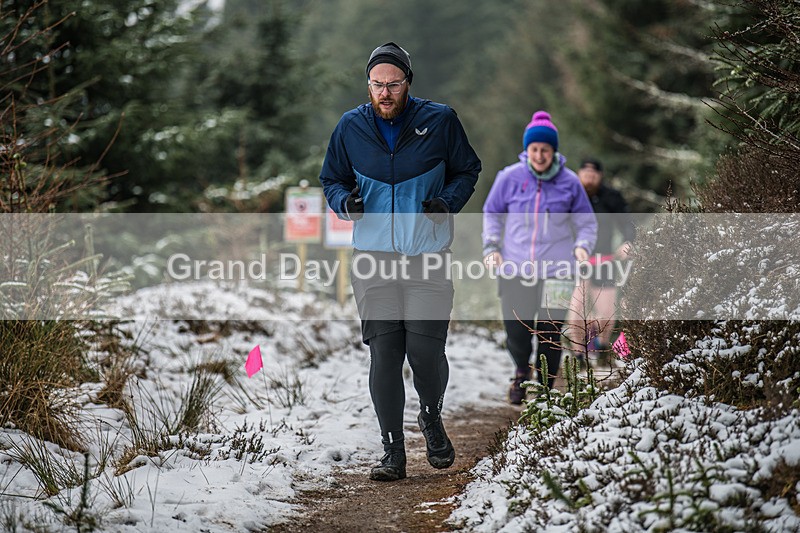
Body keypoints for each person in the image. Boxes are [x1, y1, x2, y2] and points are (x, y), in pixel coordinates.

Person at [319, 42, 481, 481]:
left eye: (393, 84)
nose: (385, 92)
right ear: (367, 85)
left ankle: (430, 416)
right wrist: (343, 201)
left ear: (408, 82)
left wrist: (447, 201)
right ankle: (392, 452)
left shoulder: (440, 120)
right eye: (377, 84)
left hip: (427, 256)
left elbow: (469, 168)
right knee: (385, 354)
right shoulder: (350, 127)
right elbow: (330, 177)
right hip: (373, 259)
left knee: (426, 353)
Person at [482, 110, 596, 404]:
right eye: (534, 149)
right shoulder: (509, 177)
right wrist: (491, 247)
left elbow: (586, 221)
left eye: (545, 149)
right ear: (527, 150)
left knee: (549, 331)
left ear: (554, 150)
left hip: (558, 268)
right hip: (515, 266)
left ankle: (545, 388)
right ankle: (521, 372)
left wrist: (583, 245)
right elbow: (492, 213)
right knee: (516, 330)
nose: (540, 155)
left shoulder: (569, 182)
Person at [575, 157, 635, 356]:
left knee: (607, 313)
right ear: (578, 175)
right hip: (574, 263)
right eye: (586, 175)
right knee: (576, 310)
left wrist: (628, 241)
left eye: (593, 176)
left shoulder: (611, 197)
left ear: (600, 176)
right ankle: (577, 353)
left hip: (605, 261)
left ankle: (600, 348)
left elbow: (627, 222)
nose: (589, 179)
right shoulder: (570, 196)